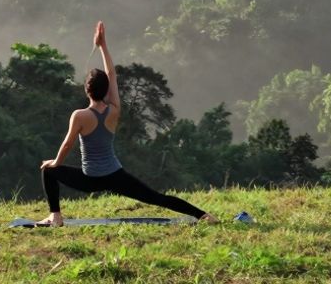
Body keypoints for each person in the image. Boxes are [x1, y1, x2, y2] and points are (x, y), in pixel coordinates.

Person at [37, 21, 215, 226]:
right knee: (156, 197)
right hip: (115, 174)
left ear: (86, 89)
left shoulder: (79, 116)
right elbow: (112, 75)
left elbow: (68, 144)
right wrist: (103, 45)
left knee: (48, 171)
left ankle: (55, 217)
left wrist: (56, 163)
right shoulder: (114, 110)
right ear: (106, 91)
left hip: (90, 179)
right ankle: (204, 215)